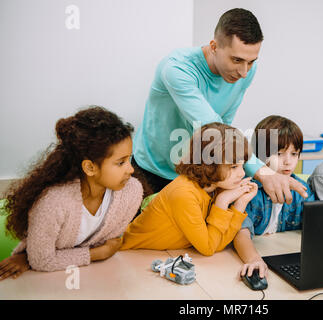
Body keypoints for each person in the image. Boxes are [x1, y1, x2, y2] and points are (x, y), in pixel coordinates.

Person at [132, 8, 307, 202]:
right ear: (214, 46)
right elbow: (214, 129)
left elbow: (225, 124)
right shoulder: (177, 69)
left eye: (251, 62)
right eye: (237, 60)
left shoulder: (245, 71)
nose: (244, 72)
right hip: (152, 171)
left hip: (195, 174)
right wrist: (263, 172)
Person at [0, 106, 143, 280]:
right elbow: (42, 260)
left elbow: (110, 241)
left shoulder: (132, 191)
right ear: (90, 167)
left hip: (92, 276)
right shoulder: (53, 203)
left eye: (129, 159)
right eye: (120, 163)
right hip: (44, 279)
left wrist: (57, 258)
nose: (131, 169)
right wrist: (97, 254)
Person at [120, 122, 258, 256]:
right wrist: (222, 201)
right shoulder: (184, 194)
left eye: (242, 165)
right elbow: (208, 248)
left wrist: (240, 204)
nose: (242, 174)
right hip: (127, 254)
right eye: (234, 167)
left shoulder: (214, 188)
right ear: (209, 164)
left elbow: (216, 244)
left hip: (155, 255)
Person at [233, 115, 315, 279]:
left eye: (294, 153)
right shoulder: (248, 189)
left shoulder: (300, 189)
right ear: (259, 155)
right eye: (279, 153)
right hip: (254, 257)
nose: (288, 162)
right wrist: (254, 259)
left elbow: (317, 224)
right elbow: (240, 232)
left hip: (283, 257)